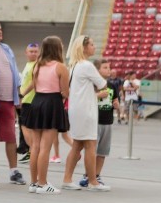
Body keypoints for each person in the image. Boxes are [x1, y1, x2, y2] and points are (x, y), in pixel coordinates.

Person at [61, 36, 110, 192]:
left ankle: (67, 179)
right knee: (90, 145)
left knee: (77, 145)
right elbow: (103, 84)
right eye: (91, 44)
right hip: (85, 110)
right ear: (83, 48)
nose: (94, 47)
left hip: (77, 109)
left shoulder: (74, 66)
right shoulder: (87, 65)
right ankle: (93, 181)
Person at [23, 36, 69, 194]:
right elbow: (65, 92)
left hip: (37, 102)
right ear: (57, 48)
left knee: (35, 146)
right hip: (52, 103)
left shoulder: (37, 65)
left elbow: (35, 86)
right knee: (45, 147)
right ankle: (43, 183)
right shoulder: (60, 67)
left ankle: (34, 182)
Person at [0, 22, 25, 185]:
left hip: (8, 101)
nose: (0, 31)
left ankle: (13, 171)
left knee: (11, 137)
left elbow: (15, 72)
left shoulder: (7, 49)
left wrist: (18, 95)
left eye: (1, 29)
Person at [80, 59, 119, 188]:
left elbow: (115, 100)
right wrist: (98, 95)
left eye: (109, 67)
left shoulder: (112, 86)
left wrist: (116, 104)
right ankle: (87, 175)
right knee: (92, 150)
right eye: (105, 67)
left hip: (107, 122)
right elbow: (86, 99)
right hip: (94, 122)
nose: (109, 70)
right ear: (97, 71)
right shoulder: (92, 85)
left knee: (102, 151)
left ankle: (97, 174)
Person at [17, 42, 40, 165]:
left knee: (27, 127)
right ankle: (32, 151)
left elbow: (34, 82)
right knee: (25, 127)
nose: (33, 53)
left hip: (31, 100)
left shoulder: (36, 65)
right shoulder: (28, 64)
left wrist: (22, 94)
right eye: (31, 51)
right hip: (25, 100)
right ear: (26, 53)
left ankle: (33, 151)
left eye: (36, 51)